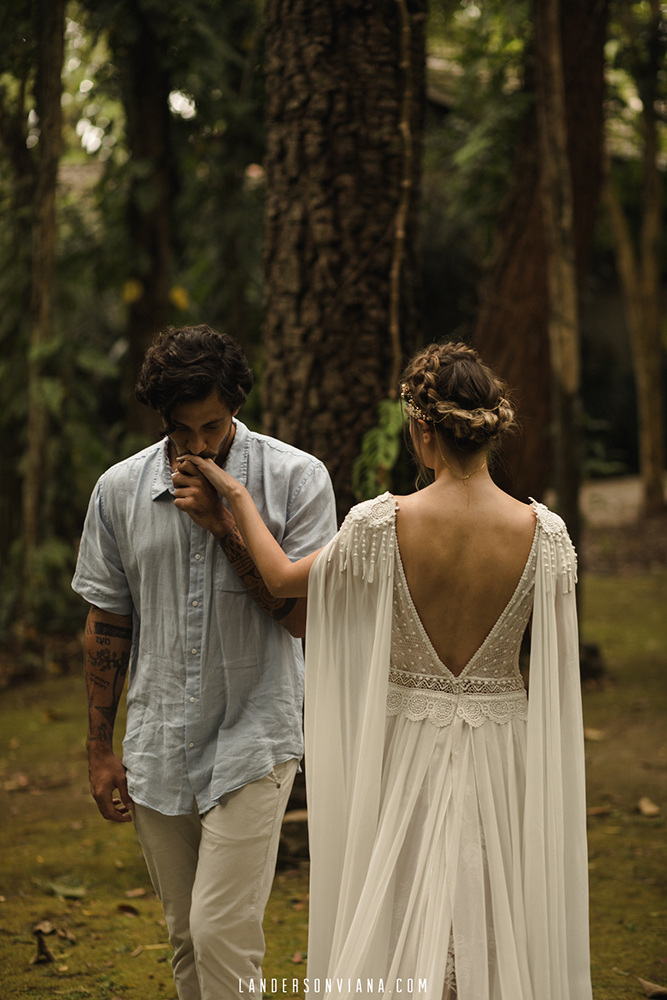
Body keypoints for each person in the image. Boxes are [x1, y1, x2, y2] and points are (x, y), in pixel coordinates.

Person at [183, 342, 593, 1000]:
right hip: (506, 750)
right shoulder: (545, 536)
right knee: (496, 910)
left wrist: (232, 496)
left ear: (421, 431)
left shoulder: (380, 524)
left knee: (402, 906)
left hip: (407, 750)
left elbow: (282, 579)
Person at [71, 325, 337, 1000]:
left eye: (211, 427)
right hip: (158, 744)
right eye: (180, 430)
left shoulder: (296, 479)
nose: (196, 446)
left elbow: (303, 617)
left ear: (236, 406)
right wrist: (100, 748)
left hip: (256, 736)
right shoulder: (118, 490)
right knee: (185, 935)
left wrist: (225, 527)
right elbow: (107, 624)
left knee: (221, 932)